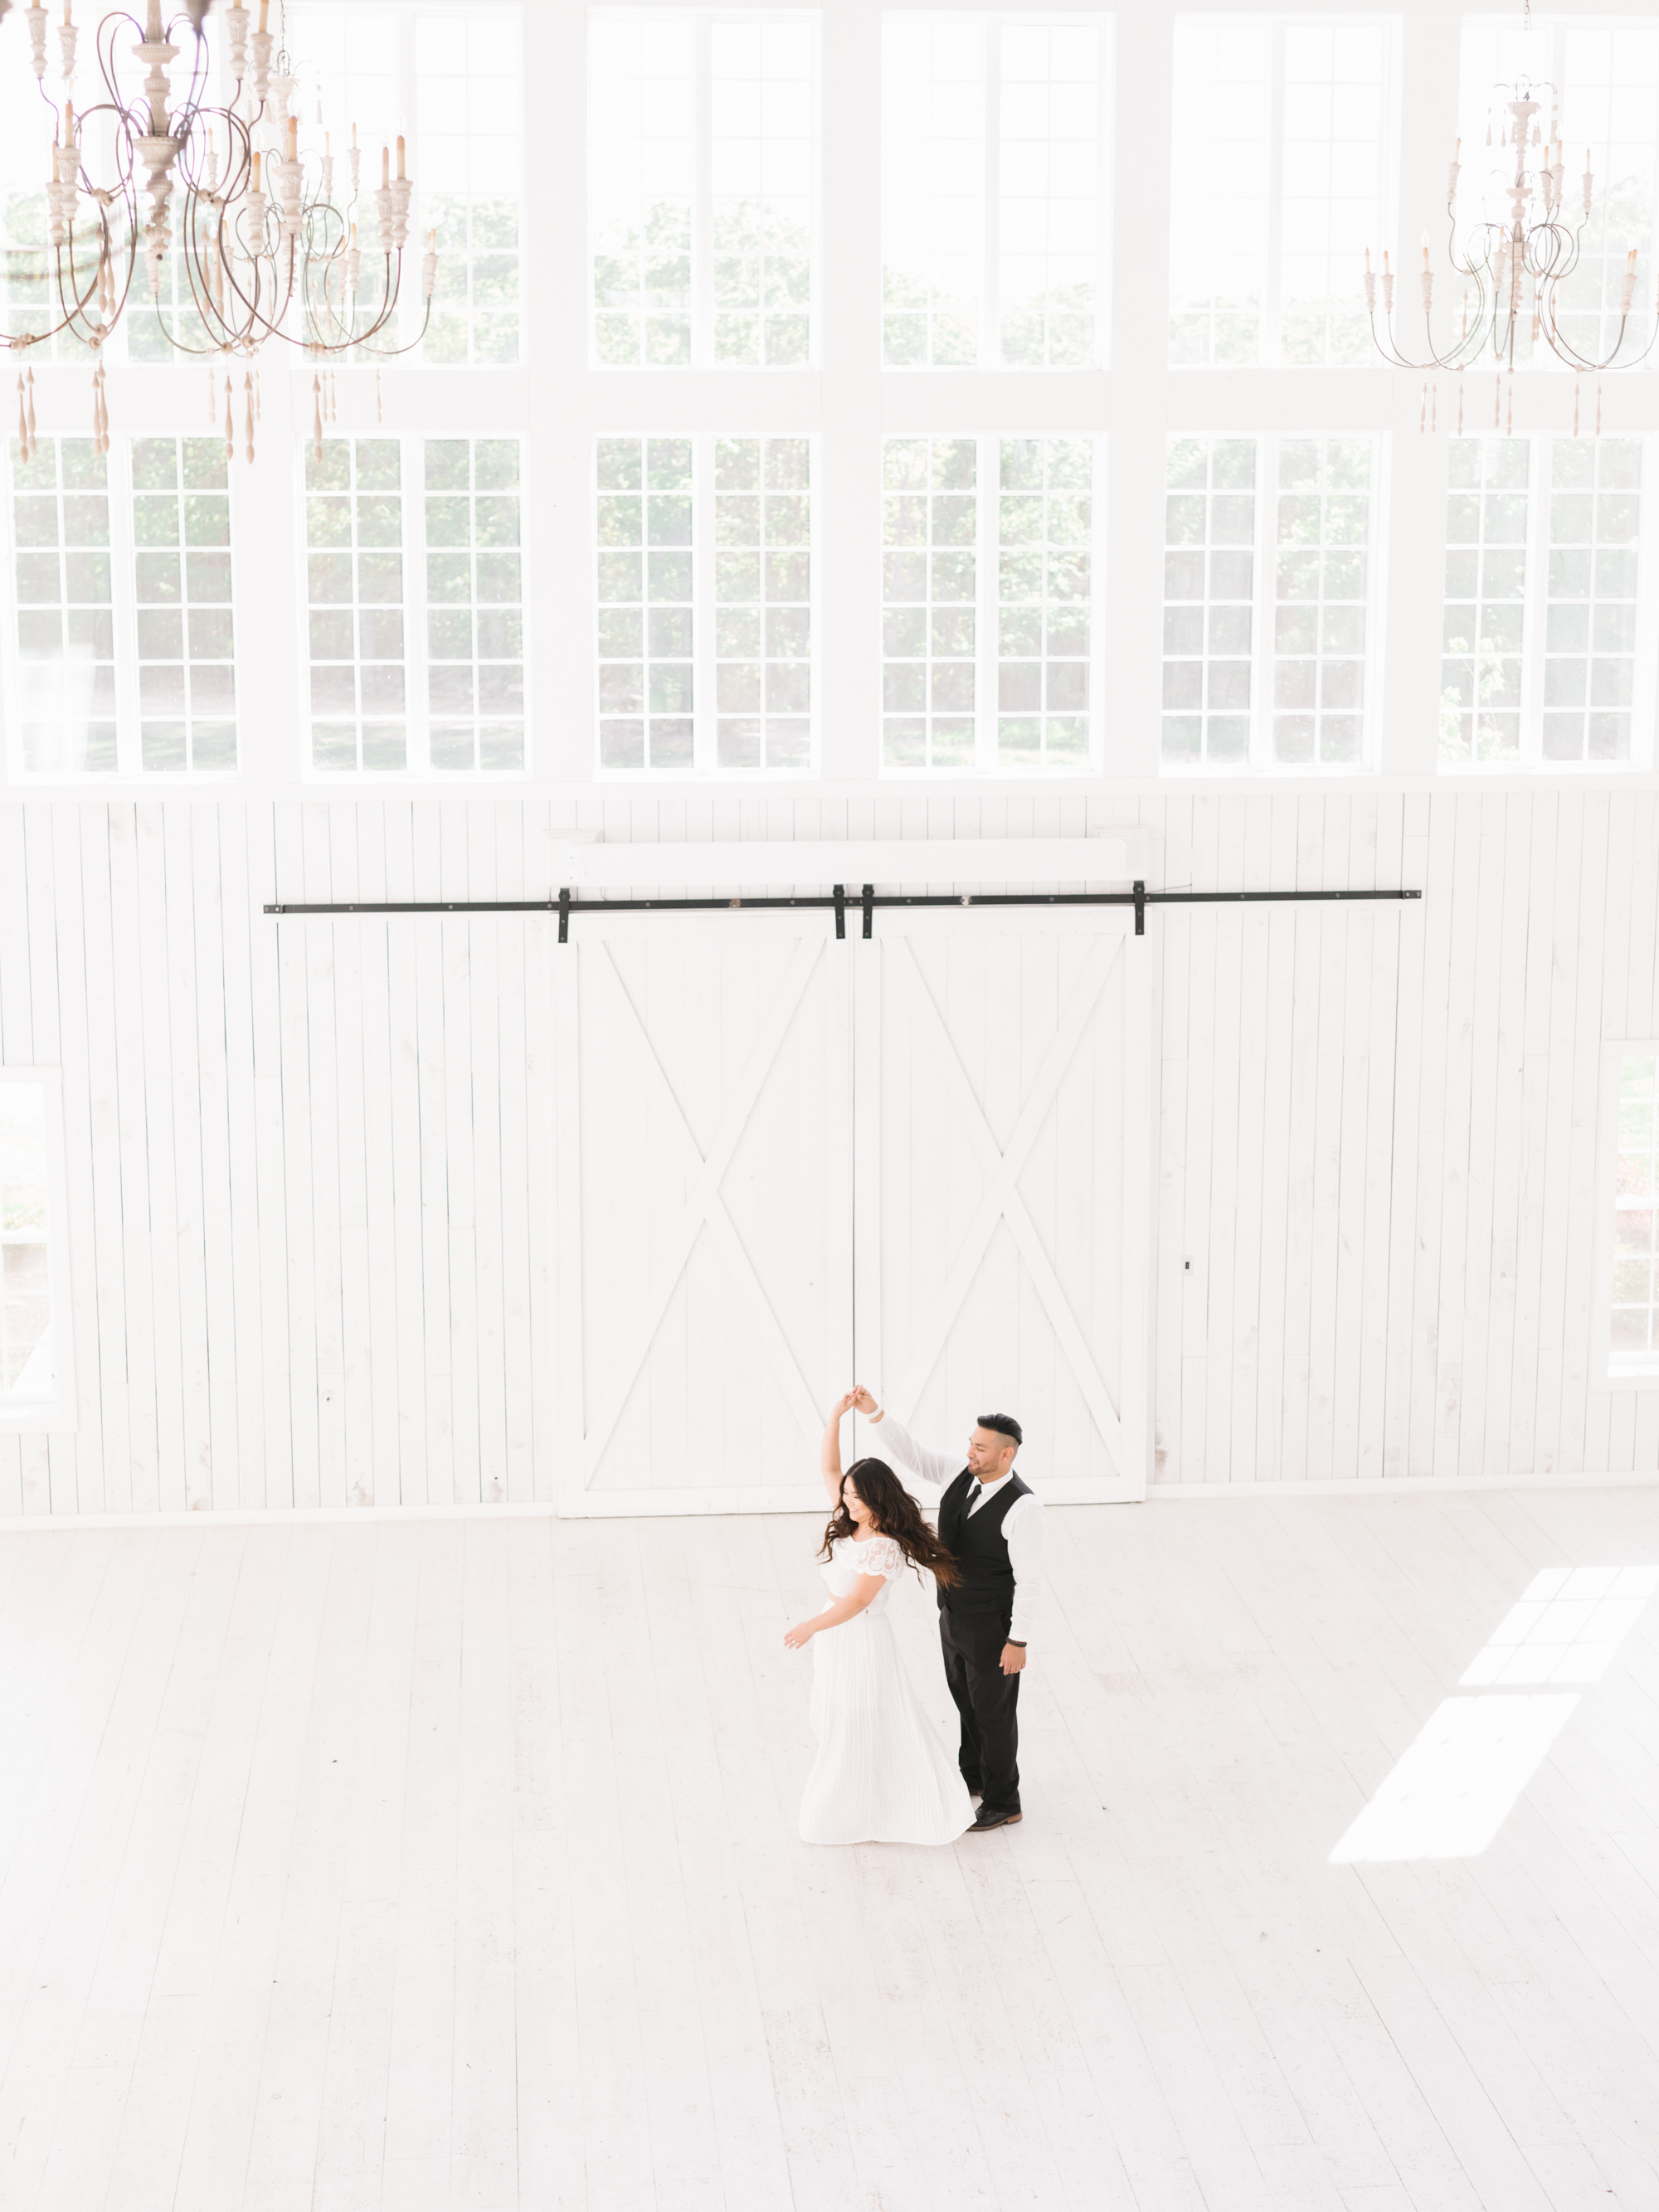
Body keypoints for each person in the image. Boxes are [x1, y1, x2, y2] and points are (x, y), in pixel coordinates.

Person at [785, 1393, 975, 1847]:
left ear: (876, 1499)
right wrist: (834, 1417)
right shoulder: (853, 1519)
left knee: (861, 1716)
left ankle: (861, 1808)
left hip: (859, 1638)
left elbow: (856, 1603)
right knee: (835, 1715)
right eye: (846, 1494)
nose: (846, 1501)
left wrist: (811, 1625)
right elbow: (830, 1470)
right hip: (837, 1637)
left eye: (855, 1496)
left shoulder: (884, 1544)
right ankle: (859, 1803)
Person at [849, 1387, 1044, 1833]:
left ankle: (1003, 1801)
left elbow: (1030, 1583)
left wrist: (1018, 1641)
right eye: (971, 1443)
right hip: (953, 1616)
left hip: (993, 1627)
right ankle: (973, 1777)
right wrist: (875, 1413)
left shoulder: (1025, 1508)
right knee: (966, 1701)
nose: (970, 1451)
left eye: (980, 1447)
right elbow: (912, 1453)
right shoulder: (961, 1472)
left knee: (994, 1712)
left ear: (1006, 1454)